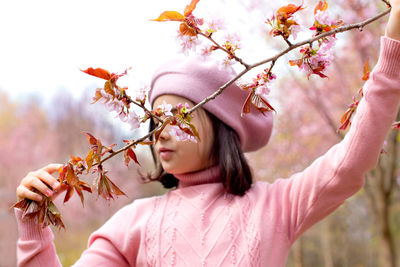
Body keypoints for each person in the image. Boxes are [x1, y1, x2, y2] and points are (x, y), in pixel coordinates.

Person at [14, 2, 400, 266]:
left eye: (177, 118)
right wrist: (34, 226)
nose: (160, 133)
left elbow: (351, 161)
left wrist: (393, 56)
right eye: (155, 121)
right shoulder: (133, 223)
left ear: (221, 126)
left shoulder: (276, 206)